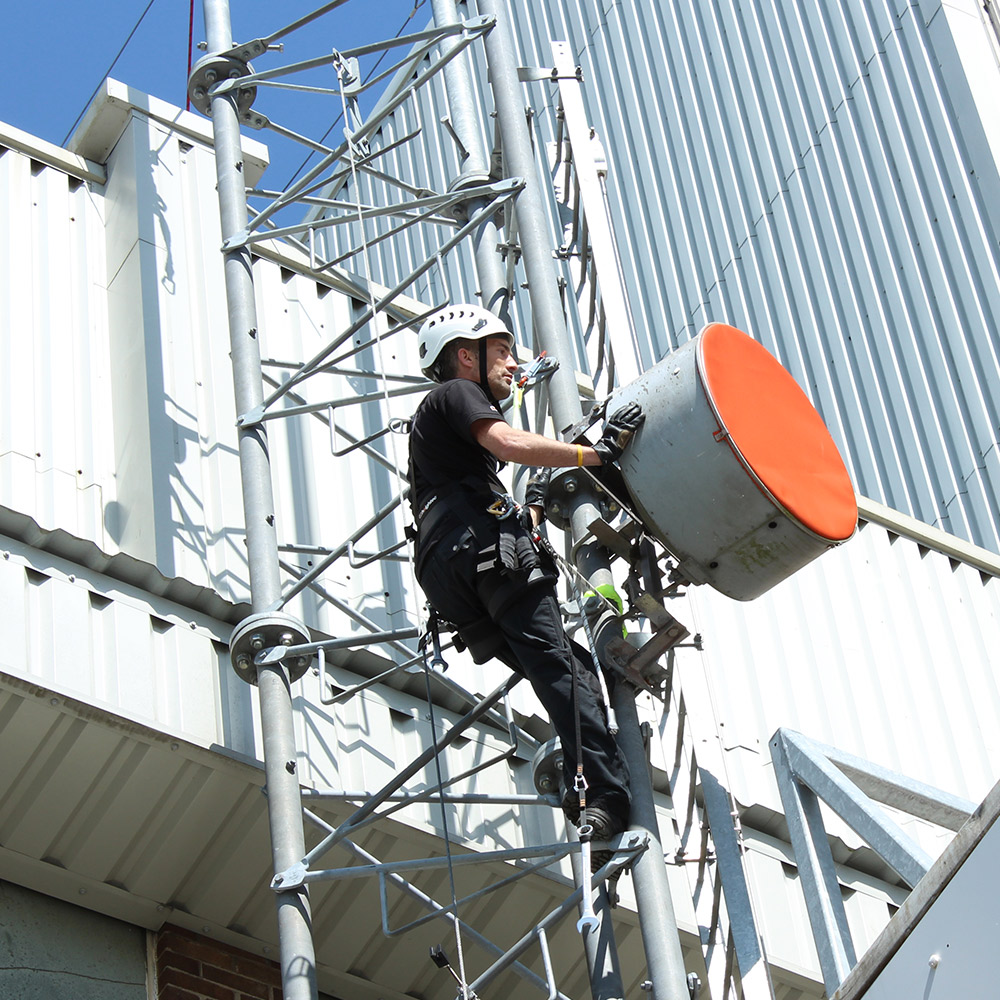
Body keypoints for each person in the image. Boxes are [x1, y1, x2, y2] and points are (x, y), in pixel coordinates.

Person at [407, 303, 644, 862]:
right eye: (502, 351)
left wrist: (531, 507)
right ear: (465, 356)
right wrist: (595, 453)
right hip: (480, 552)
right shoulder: (455, 393)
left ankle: (590, 797)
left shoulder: (435, 438)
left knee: (563, 667)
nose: (513, 364)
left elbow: (479, 484)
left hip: (452, 571)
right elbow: (509, 444)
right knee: (562, 668)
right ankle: (606, 797)